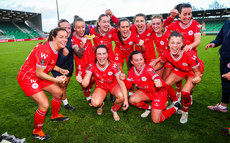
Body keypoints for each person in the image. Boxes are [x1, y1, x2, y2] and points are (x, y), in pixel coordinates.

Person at [17, 27, 70, 141]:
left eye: (66, 37)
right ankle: (37, 132)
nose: (64, 40)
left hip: (38, 75)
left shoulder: (54, 47)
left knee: (58, 92)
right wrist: (57, 80)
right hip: (27, 77)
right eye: (61, 37)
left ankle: (55, 116)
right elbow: (40, 73)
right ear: (54, 37)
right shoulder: (45, 50)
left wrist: (60, 70)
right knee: (44, 104)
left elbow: (49, 64)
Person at [153, 32, 203, 123]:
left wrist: (197, 77)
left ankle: (185, 112)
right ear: (168, 43)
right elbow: (161, 64)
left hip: (192, 70)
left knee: (185, 92)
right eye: (172, 43)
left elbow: (197, 71)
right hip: (180, 69)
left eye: (178, 43)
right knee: (166, 85)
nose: (175, 46)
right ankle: (176, 102)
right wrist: (150, 70)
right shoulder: (166, 52)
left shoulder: (189, 54)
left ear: (182, 44)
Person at [120, 51, 180, 122]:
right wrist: (124, 80)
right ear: (132, 62)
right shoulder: (131, 71)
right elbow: (129, 86)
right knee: (132, 100)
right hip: (146, 92)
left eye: (141, 59)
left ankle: (176, 107)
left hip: (158, 94)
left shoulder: (148, 69)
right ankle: (149, 108)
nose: (139, 62)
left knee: (156, 120)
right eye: (136, 60)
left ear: (143, 59)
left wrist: (159, 82)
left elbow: (156, 77)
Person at [76, 45, 129, 121]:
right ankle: (101, 105)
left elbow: (121, 83)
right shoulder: (91, 65)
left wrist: (126, 100)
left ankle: (114, 110)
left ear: (107, 55)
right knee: (94, 103)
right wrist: (81, 82)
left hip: (113, 85)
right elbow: (85, 83)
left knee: (122, 96)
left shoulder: (113, 65)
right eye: (99, 54)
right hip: (101, 86)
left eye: (104, 54)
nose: (102, 57)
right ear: (96, 55)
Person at [166, 3, 202, 103]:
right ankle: (177, 94)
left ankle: (189, 94)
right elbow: (164, 27)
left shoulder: (195, 24)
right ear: (179, 14)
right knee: (176, 77)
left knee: (190, 80)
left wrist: (190, 45)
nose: (187, 17)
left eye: (189, 14)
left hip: (190, 58)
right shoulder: (175, 24)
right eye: (185, 14)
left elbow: (197, 41)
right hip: (177, 58)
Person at [206, 18, 230, 112]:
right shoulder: (227, 22)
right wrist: (214, 43)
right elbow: (220, 37)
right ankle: (223, 106)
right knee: (225, 83)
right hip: (224, 58)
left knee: (227, 85)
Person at [51, 19, 75, 111]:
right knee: (60, 86)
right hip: (57, 68)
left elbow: (83, 27)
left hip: (69, 67)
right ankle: (63, 103)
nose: (67, 30)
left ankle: (61, 101)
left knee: (64, 86)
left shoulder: (70, 36)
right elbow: (54, 63)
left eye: (69, 28)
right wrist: (64, 55)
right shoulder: (55, 42)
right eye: (64, 28)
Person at [72, 17, 95, 105]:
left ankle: (92, 91)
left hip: (92, 64)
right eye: (78, 27)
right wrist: (82, 44)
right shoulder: (73, 40)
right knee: (84, 84)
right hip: (81, 65)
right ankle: (88, 98)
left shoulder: (88, 37)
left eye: (83, 27)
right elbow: (79, 54)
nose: (81, 30)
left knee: (93, 80)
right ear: (74, 28)